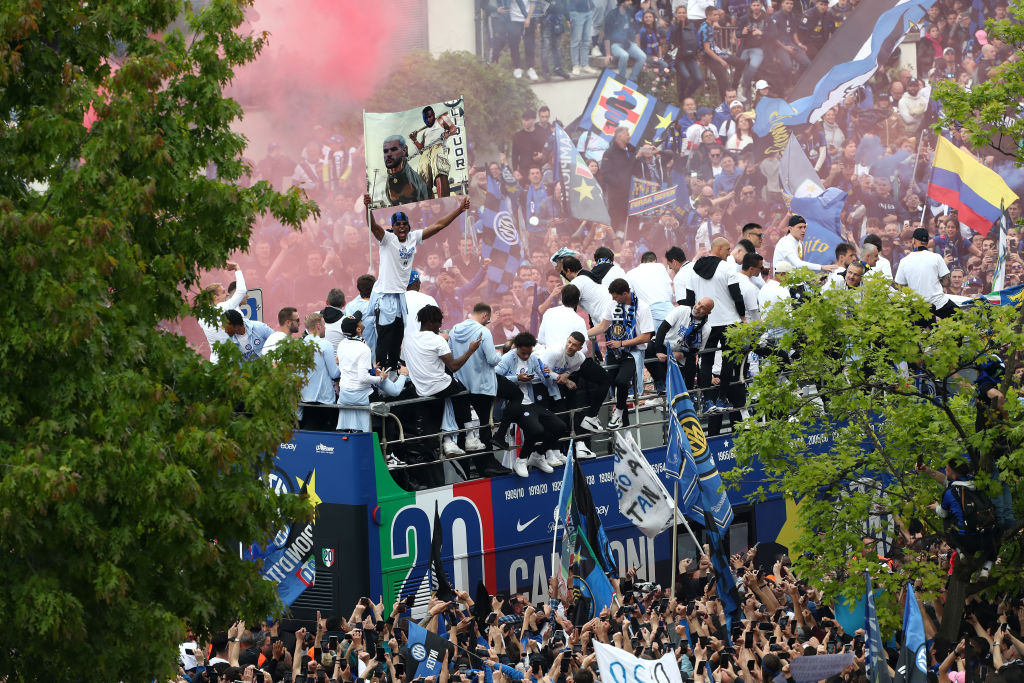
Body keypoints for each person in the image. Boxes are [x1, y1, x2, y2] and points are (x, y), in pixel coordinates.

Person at [362, 194, 470, 371]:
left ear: (409, 226)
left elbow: (439, 225)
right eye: (398, 225)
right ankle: (381, 371)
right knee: (384, 336)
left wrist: (459, 210)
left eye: (404, 224)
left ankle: (393, 370)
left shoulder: (413, 237)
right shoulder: (387, 240)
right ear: (393, 228)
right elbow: (373, 226)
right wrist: (368, 208)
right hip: (385, 294)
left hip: (399, 295)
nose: (402, 227)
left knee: (398, 336)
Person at [404, 305, 483, 484]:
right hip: (440, 385)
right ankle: (470, 437)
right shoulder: (437, 340)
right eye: (439, 322)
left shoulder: (408, 339)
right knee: (463, 393)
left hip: (421, 389)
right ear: (431, 322)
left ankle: (450, 440)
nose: (440, 326)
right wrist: (471, 350)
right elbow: (454, 366)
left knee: (449, 400)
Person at [681, 238, 745, 429]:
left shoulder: (693, 270)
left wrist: (694, 321)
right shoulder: (726, 269)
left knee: (706, 361)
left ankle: (708, 400)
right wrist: (742, 317)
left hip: (706, 323)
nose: (729, 252)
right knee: (728, 361)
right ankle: (722, 398)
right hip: (729, 322)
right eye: (727, 249)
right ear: (718, 249)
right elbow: (737, 295)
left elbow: (689, 300)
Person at [448, 303, 515, 477]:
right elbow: (492, 360)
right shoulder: (483, 331)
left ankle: (474, 468)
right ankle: (489, 462)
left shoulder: (455, 329)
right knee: (485, 427)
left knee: (467, 430)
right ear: (485, 315)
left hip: (462, 385)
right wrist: (500, 355)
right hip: (482, 386)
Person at [496, 332, 569, 476]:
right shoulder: (507, 359)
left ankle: (538, 455)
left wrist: (546, 374)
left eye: (529, 353)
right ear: (516, 347)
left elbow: (547, 383)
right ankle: (522, 460)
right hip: (514, 405)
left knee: (560, 427)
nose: (526, 356)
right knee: (537, 430)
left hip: (530, 402)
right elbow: (495, 378)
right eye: (523, 353)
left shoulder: (534, 359)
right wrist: (517, 378)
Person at [586, 278, 655, 428]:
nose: (613, 299)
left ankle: (619, 412)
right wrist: (582, 334)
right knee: (605, 382)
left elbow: (646, 337)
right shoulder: (613, 304)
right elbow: (604, 326)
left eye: (616, 296)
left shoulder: (642, 308)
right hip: (613, 351)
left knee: (622, 382)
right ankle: (593, 416)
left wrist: (622, 343)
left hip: (632, 352)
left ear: (625, 293)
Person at [335, 312, 408, 434]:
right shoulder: (363, 348)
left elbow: (350, 365)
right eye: (360, 321)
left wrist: (372, 368)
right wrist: (381, 378)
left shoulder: (342, 344)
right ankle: (389, 452)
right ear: (358, 329)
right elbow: (363, 378)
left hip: (344, 395)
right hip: (361, 396)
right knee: (389, 417)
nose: (362, 321)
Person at [542, 331, 610, 459]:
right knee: (549, 418)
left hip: (556, 387)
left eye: (574, 345)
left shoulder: (580, 358)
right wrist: (566, 380)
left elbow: (574, 369)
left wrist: (566, 376)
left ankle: (557, 451)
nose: (570, 346)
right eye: (569, 342)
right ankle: (546, 452)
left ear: (580, 348)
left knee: (562, 416)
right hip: (540, 384)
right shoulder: (556, 352)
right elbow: (543, 371)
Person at [931, 458, 998, 578]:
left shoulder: (950, 492)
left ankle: (960, 551)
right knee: (994, 528)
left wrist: (936, 507)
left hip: (965, 540)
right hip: (986, 537)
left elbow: (943, 513)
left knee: (947, 519)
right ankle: (986, 568)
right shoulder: (977, 485)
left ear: (952, 472)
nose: (945, 470)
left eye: (947, 468)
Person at [654, 297, 714, 392]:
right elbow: (663, 328)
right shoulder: (682, 310)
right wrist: (658, 351)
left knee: (689, 368)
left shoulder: (706, 328)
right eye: (698, 303)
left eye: (703, 307)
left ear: (708, 313)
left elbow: (696, 350)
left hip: (683, 354)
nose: (698, 307)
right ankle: (660, 384)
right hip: (665, 345)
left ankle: (688, 395)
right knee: (649, 349)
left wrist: (681, 354)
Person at [895, 227, 957, 320]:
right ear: (928, 242)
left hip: (917, 308)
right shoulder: (937, 257)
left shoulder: (904, 261)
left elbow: (899, 285)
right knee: (961, 319)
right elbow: (946, 282)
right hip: (939, 304)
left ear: (913, 240)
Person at [297, 312, 341, 432]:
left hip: (305, 398)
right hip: (324, 399)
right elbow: (334, 374)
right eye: (324, 324)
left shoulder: (299, 345)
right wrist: (339, 364)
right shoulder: (325, 344)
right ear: (318, 326)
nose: (325, 327)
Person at [198, 261, 247, 363]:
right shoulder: (222, 308)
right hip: (230, 362)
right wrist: (237, 268)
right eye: (224, 292)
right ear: (215, 297)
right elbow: (241, 291)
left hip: (215, 362)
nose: (227, 294)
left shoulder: (201, 316)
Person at [409, 106, 456, 198]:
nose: (428, 120)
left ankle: (444, 200)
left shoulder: (441, 119)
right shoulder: (424, 132)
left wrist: (448, 133)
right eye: (425, 118)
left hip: (438, 147)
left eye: (429, 117)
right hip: (426, 152)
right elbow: (421, 150)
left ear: (433, 115)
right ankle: (431, 204)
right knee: (423, 179)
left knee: (439, 170)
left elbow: (453, 128)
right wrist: (414, 140)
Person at [772, 215, 838, 275]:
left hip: (794, 281)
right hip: (782, 283)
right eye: (800, 227)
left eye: (804, 227)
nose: (803, 230)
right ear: (790, 228)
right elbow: (798, 264)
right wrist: (822, 267)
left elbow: (798, 268)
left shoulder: (799, 243)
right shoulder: (785, 242)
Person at [604, 0, 647, 83]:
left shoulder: (630, 13)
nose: (630, 2)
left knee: (642, 57)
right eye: (628, 1)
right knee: (624, 56)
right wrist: (608, 54)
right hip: (615, 44)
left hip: (628, 43)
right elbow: (607, 36)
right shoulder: (612, 15)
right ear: (622, 2)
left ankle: (631, 80)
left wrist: (638, 47)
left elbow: (636, 32)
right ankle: (621, 80)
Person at [381, 135, 431, 206]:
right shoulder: (389, 184)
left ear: (404, 150)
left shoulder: (412, 179)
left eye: (393, 149)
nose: (388, 154)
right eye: (385, 151)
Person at [667, 5, 703, 103]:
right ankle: (681, 98)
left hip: (690, 56)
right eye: (680, 12)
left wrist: (698, 56)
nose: (682, 14)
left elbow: (696, 40)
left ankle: (688, 95)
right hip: (679, 58)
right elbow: (669, 42)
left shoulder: (691, 26)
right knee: (686, 76)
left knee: (698, 78)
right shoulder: (672, 27)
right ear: (676, 14)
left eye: (684, 12)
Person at [735, 0, 769, 101]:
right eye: (754, 5)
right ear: (750, 6)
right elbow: (737, 34)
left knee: (753, 67)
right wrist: (742, 32)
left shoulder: (767, 18)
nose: (756, 7)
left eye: (758, 5)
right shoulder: (744, 18)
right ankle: (745, 94)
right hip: (745, 48)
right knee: (740, 68)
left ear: (761, 6)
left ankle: (743, 87)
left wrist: (761, 33)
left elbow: (774, 34)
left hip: (759, 48)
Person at [769, 0, 810, 77]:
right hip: (778, 46)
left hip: (790, 43)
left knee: (806, 63)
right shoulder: (775, 17)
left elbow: (794, 32)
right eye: (787, 3)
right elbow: (773, 38)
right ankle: (787, 84)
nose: (789, 5)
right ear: (782, 4)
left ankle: (796, 80)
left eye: (791, 4)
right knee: (788, 67)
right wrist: (785, 48)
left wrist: (799, 44)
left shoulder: (792, 15)